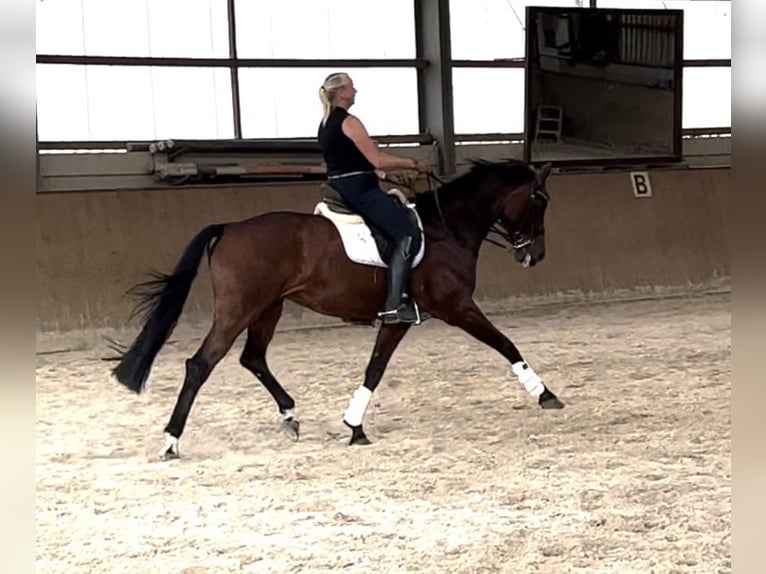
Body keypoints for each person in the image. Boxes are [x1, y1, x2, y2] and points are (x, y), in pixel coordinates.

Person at [317, 72, 430, 325]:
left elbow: (352, 161)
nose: (355, 91)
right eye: (352, 87)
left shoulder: (326, 123)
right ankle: (394, 305)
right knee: (408, 234)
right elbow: (376, 159)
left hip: (343, 185)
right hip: (360, 191)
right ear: (342, 92)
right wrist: (413, 164)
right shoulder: (349, 121)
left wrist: (389, 178)